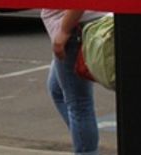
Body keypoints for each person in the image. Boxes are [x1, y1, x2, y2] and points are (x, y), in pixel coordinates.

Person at [41, 8, 106, 155]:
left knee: (79, 104)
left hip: (73, 28)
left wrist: (64, 31)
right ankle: (84, 139)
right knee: (57, 90)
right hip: (74, 25)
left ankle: (86, 148)